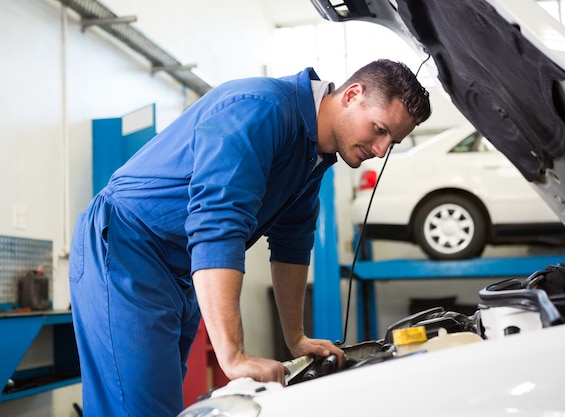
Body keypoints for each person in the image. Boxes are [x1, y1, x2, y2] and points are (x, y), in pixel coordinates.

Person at [69, 58, 431, 416]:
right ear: (353, 95)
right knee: (135, 408)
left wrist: (296, 338)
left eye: (393, 142)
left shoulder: (313, 158)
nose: (381, 150)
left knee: (156, 401)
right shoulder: (263, 110)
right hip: (125, 246)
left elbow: (292, 244)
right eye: (380, 129)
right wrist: (232, 355)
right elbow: (217, 222)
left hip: (175, 268)